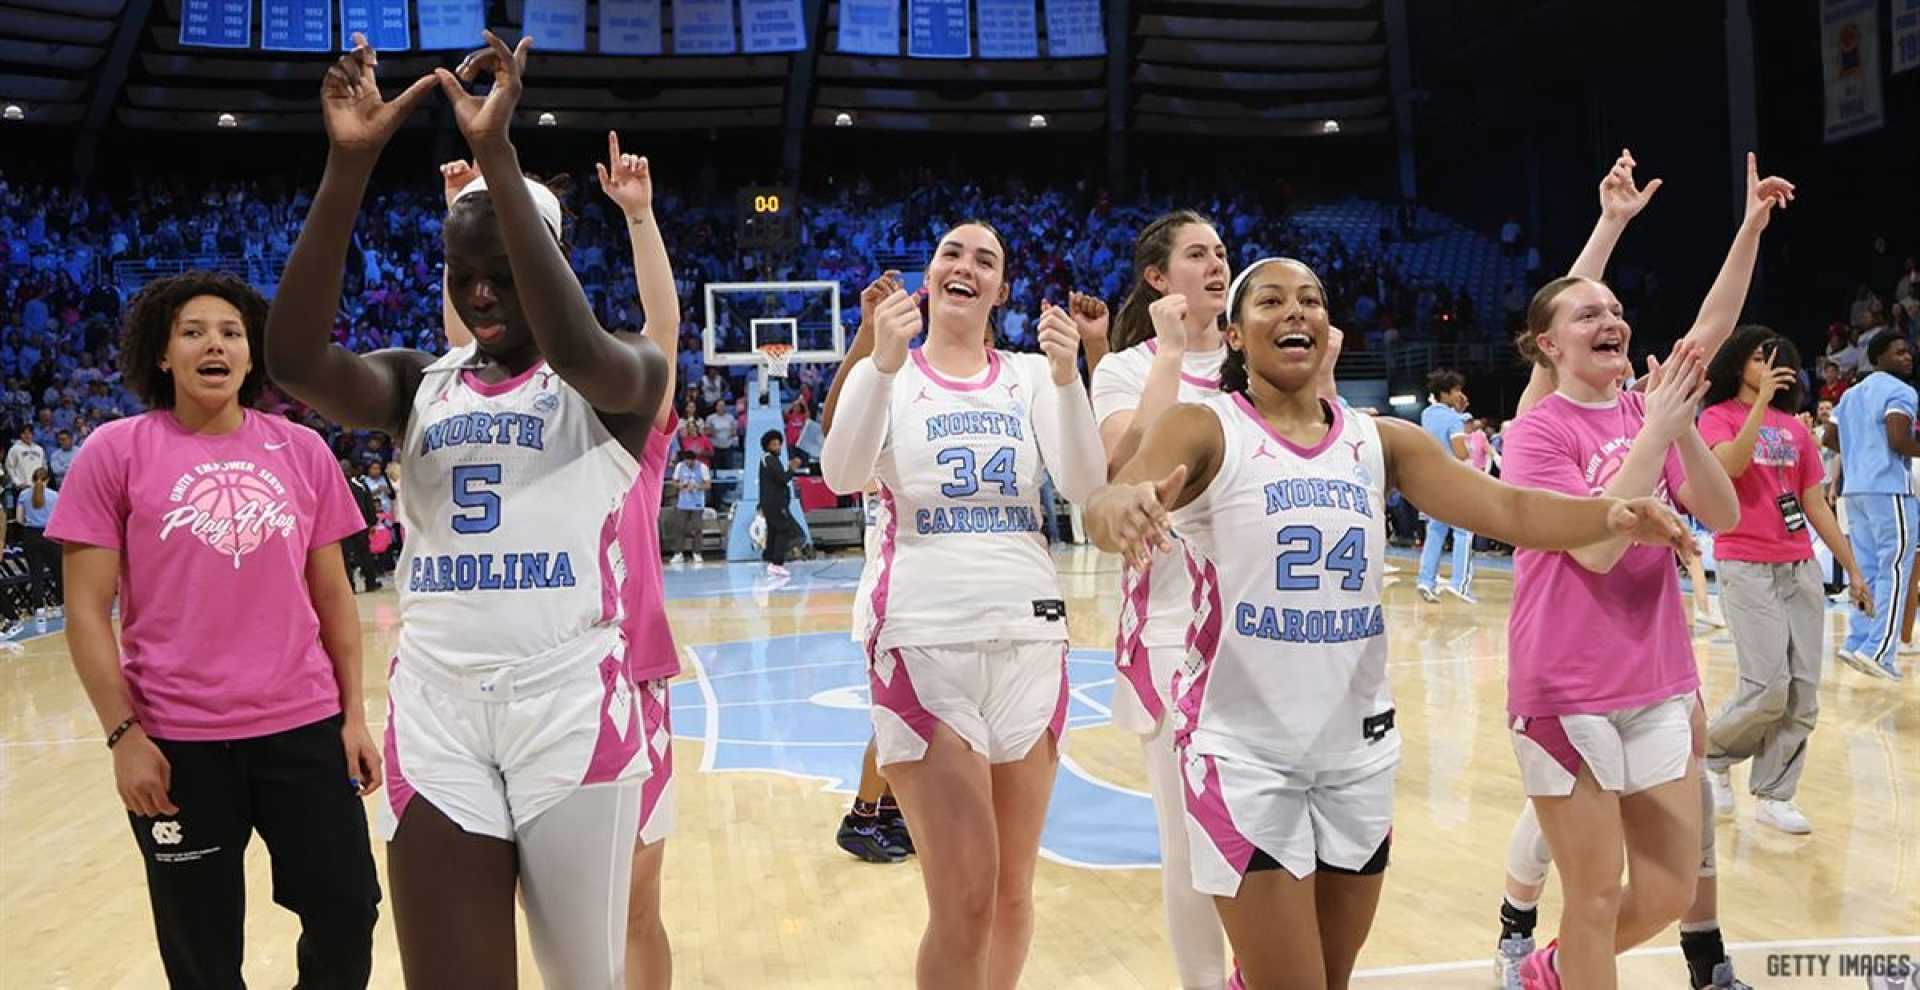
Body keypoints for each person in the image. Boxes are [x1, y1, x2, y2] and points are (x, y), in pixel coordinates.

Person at [1083, 257, 1693, 990]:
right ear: (1238, 337)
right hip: (1241, 751)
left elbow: (1507, 508)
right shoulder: (1206, 425)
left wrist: (1611, 513)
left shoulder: (1379, 442)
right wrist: (1118, 506)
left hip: (1357, 752)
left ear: (1329, 329)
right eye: (1271, 301)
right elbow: (1119, 490)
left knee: (1331, 977)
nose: (1294, 312)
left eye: (1310, 299)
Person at [265, 34, 676, 988]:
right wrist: (348, 164)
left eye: (503, 268)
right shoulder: (418, 383)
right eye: (462, 271)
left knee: (588, 978)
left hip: (570, 702)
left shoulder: (619, 380)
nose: (482, 292)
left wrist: (496, 157)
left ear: (550, 265)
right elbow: (290, 361)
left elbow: (572, 341)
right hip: (440, 705)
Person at [51, 270, 381, 988]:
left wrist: (353, 716)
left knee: (348, 913)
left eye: (231, 332)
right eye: (193, 331)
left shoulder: (302, 452)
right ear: (163, 354)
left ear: (252, 353)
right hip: (176, 744)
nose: (215, 344)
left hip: (301, 726)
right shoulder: (115, 451)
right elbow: (86, 611)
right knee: (200, 953)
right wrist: (122, 736)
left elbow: (334, 596)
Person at [820, 221, 1107, 989]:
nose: (967, 266)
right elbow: (843, 472)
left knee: (1013, 896)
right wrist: (878, 364)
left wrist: (1068, 377)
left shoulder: (1026, 375)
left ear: (1001, 290)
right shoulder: (893, 374)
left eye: (986, 261)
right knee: (967, 898)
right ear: (928, 276)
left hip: (1031, 642)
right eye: (952, 253)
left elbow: (1083, 486)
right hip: (924, 642)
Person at [1090, 210, 1236, 989]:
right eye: (1196, 254)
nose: (1217, 264)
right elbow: (1121, 472)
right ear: (1157, 278)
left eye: (1221, 252)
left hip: (1269, 628)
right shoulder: (1124, 368)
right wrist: (1173, 355)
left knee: (1269, 837)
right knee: (1190, 841)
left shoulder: (1261, 362)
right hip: (1174, 626)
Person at [1699, 327, 1871, 834]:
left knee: (1803, 691)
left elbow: (1815, 503)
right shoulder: (1716, 417)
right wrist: (1759, 408)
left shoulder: (1795, 432)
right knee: (1768, 683)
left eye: (1778, 359)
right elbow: (1728, 466)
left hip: (1798, 566)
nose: (1770, 366)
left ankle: (1775, 792)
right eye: (1758, 358)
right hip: (1745, 562)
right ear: (1737, 366)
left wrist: (1854, 570)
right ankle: (1712, 753)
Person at [822, 269, 915, 865]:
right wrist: (863, 331)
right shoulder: (888, 382)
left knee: (920, 716)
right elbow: (834, 422)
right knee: (901, 712)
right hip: (896, 576)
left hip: (939, 582)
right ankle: (862, 813)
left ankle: (890, 810)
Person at [1826, 332, 1920, 682]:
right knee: (1895, 569)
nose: (1907, 357)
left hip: (1855, 492)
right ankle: (1879, 651)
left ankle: (1857, 640)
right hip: (1888, 489)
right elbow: (1899, 439)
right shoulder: (1901, 391)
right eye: (1899, 352)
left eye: (1909, 352)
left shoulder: (1850, 394)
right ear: (1878, 357)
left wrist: (1858, 452)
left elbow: (1829, 438)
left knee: (1864, 569)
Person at [1415, 369, 1477, 603]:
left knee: (1435, 531)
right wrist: (1461, 423)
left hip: (1431, 482)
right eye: (1456, 391)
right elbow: (1460, 453)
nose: (1460, 394)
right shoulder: (1453, 420)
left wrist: (1458, 412)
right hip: (1454, 480)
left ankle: (1426, 580)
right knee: (1464, 532)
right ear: (1445, 393)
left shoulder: (1427, 414)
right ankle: (1459, 584)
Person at [16, 466, 59, 628]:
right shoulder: (55, 496)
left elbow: (19, 519)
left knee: (36, 573)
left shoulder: (23, 495)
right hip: (50, 534)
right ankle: (61, 604)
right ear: (48, 480)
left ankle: (39, 608)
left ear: (33, 479)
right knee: (57, 571)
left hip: (31, 535)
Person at [758, 430, 805, 578]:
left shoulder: (769, 459)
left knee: (773, 530)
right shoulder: (769, 459)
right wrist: (792, 469)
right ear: (767, 446)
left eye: (779, 444)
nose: (777, 447)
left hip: (771, 502)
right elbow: (783, 479)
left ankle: (769, 558)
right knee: (783, 529)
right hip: (775, 503)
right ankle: (777, 563)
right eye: (774, 444)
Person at [669, 448, 709, 564]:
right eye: (686, 461)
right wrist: (680, 485)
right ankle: (678, 553)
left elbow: (708, 485)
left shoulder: (702, 467)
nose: (688, 463)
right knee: (679, 528)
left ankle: (697, 553)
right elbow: (674, 482)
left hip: (697, 503)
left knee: (697, 529)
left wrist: (696, 487)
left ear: (694, 460)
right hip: (683, 503)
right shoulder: (679, 466)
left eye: (690, 461)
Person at [5, 424, 44, 491]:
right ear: (20, 435)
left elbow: (43, 467)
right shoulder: (15, 449)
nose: (27, 436)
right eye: (24, 433)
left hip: (38, 486)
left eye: (29, 433)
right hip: (22, 487)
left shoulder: (39, 449)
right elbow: (9, 467)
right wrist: (17, 482)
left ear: (32, 434)